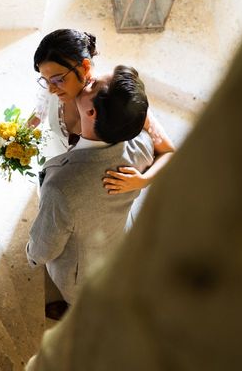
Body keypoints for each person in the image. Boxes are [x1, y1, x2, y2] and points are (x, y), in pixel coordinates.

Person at [26, 65, 155, 308]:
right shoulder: (142, 146)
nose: (88, 79)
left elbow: (44, 249)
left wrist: (32, 256)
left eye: (92, 84)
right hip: (118, 240)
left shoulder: (62, 187)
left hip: (80, 276)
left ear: (91, 112)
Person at [32, 29, 175, 196]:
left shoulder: (115, 100)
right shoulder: (52, 89)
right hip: (57, 165)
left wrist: (142, 181)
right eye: (45, 80)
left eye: (58, 79)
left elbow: (168, 152)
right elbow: (39, 112)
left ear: (85, 66)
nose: (51, 88)